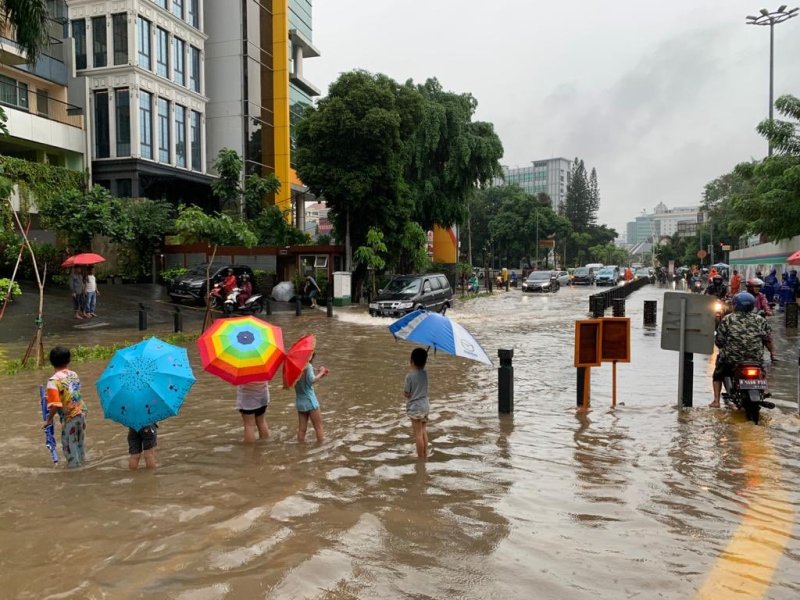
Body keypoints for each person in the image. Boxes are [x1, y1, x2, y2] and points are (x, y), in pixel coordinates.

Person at [710, 292, 775, 408]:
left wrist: (725, 347)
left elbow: (719, 341)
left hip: (732, 358)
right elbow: (767, 340)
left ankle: (716, 401)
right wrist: (772, 354)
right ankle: (764, 389)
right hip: (755, 358)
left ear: (735, 305)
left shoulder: (727, 319)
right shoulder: (760, 320)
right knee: (762, 368)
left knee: (718, 374)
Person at [43, 346, 86, 467]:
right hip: (81, 413)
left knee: (69, 447)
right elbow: (72, 392)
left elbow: (56, 405)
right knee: (79, 444)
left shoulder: (53, 381)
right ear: (69, 360)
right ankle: (83, 465)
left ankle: (75, 474)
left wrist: (49, 419)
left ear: (51, 362)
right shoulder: (74, 374)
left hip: (69, 418)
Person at [295, 353, 327, 442]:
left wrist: (320, 374)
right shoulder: (307, 366)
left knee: (302, 429)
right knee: (319, 427)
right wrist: (321, 372)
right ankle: (322, 448)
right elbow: (311, 380)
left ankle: (300, 448)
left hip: (300, 402)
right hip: (310, 401)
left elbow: (306, 379)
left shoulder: (295, 367)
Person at [404, 347, 430, 459]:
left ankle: (421, 458)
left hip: (415, 408)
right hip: (425, 406)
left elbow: (407, 393)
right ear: (425, 362)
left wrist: (407, 394)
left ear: (412, 361)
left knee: (418, 434)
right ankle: (425, 453)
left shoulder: (409, 376)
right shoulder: (425, 374)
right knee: (423, 431)